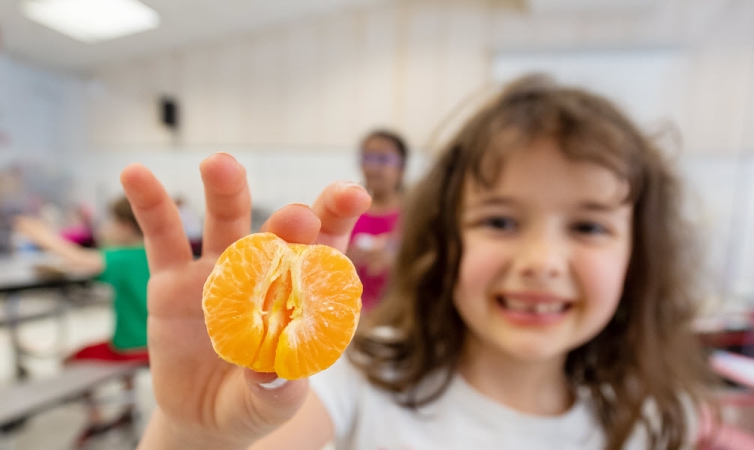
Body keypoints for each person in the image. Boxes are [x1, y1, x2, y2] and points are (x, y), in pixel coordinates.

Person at [122, 76, 721, 450]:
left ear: (637, 255)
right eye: (501, 221)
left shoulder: (649, 421)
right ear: (444, 240)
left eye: (589, 226)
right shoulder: (355, 381)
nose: (541, 261)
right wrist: (192, 437)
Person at [14, 196, 149, 445]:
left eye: (112, 222)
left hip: (132, 349)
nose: (106, 227)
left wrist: (42, 236)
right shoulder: (151, 254)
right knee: (111, 349)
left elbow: (81, 259)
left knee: (72, 360)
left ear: (126, 227)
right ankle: (129, 409)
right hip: (156, 347)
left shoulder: (124, 256)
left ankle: (97, 418)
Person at [348, 129, 408, 311]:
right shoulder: (349, 212)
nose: (373, 168)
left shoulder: (413, 214)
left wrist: (398, 261)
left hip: (399, 314)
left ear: (402, 167)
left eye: (382, 159)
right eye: (368, 157)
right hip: (354, 315)